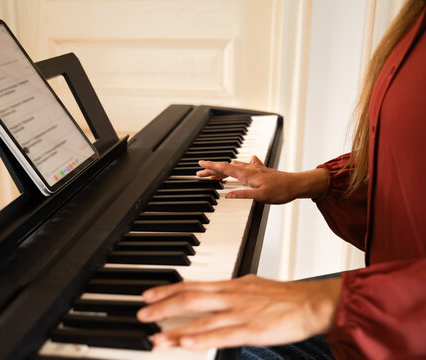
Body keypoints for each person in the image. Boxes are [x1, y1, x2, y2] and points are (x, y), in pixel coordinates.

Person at [137, 0, 426, 358]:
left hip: (400, 320)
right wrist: (314, 181)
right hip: (390, 295)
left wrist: (322, 304)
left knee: (198, 343)